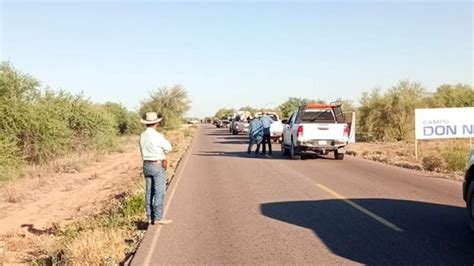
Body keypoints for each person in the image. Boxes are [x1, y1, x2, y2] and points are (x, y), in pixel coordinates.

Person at [139, 112, 173, 225]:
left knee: (149, 191)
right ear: (156, 123)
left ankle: (149, 216)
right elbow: (169, 147)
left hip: (146, 164)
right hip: (157, 165)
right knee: (159, 191)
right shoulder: (157, 136)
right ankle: (158, 218)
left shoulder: (142, 135)